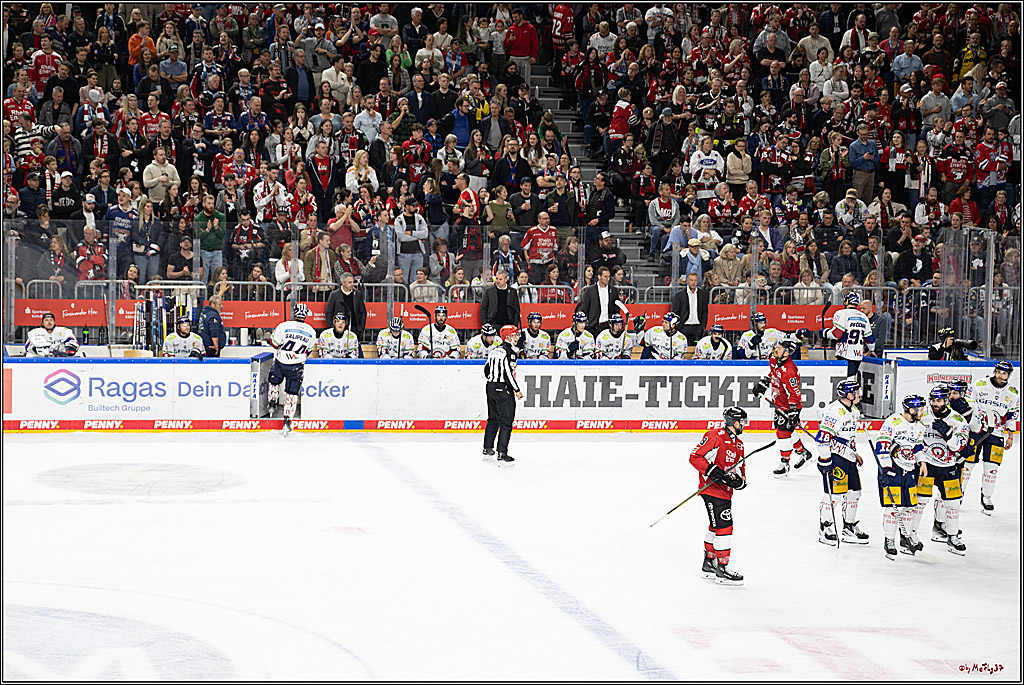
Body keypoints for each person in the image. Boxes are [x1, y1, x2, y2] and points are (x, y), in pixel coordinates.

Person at [688, 406, 749, 585]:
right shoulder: (714, 436)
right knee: (725, 526)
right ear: (735, 422)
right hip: (711, 489)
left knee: (715, 526)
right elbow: (695, 457)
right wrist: (712, 471)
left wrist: (739, 482)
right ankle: (722, 569)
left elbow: (741, 471)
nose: (744, 425)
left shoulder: (739, 445)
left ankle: (709, 564)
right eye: (743, 422)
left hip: (725, 492)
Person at [911, 384, 971, 555]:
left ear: (946, 401)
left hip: (948, 466)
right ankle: (911, 535)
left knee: (952, 505)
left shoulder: (958, 421)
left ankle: (952, 537)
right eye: (932, 400)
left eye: (939, 400)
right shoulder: (922, 417)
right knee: (920, 502)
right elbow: (914, 439)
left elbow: (958, 446)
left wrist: (949, 434)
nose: (935, 404)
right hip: (927, 466)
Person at [814, 380, 869, 546]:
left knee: (854, 493)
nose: (859, 394)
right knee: (834, 495)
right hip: (836, 459)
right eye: (857, 392)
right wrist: (825, 460)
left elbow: (846, 436)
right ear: (849, 395)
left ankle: (849, 527)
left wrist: (855, 453)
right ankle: (825, 527)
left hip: (849, 458)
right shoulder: (835, 411)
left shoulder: (853, 411)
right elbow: (821, 440)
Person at [874, 394, 927, 559]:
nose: (923, 412)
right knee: (892, 508)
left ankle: (906, 538)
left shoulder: (920, 426)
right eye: (920, 409)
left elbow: (917, 447)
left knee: (910, 506)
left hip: (910, 469)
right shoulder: (893, 422)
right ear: (911, 409)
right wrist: (886, 469)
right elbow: (882, 445)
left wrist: (922, 462)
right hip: (893, 469)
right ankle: (889, 540)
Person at [963, 361, 1019, 515]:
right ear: (995, 371)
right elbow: (968, 403)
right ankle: (959, 494)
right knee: (968, 465)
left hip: (997, 433)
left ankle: (986, 497)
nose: (1001, 376)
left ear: (1008, 375)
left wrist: (1010, 436)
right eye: (999, 372)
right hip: (976, 431)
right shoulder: (979, 384)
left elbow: (1012, 415)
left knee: (992, 468)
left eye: (1004, 374)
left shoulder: (1012, 393)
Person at [753, 336, 813, 477]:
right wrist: (764, 383)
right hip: (779, 403)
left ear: (787, 353)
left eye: (780, 348)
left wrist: (793, 412)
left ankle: (785, 463)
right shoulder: (774, 360)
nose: (776, 349)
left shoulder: (790, 371)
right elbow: (773, 374)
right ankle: (803, 453)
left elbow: (795, 393)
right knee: (788, 431)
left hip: (790, 407)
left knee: (782, 433)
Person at [268, 303, 316, 432]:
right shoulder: (311, 331)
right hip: (297, 365)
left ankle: (272, 403)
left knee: (274, 382)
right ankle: (287, 420)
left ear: (294, 313)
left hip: (280, 361)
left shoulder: (283, 326)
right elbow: (308, 350)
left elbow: (273, 343)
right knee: (292, 393)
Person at [482, 325, 523, 467]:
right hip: (503, 389)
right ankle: (502, 453)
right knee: (506, 422)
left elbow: (486, 369)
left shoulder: (494, 350)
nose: (518, 338)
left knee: (492, 418)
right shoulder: (510, 352)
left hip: (490, 387)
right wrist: (516, 389)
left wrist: (493, 381)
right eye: (515, 335)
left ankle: (487, 449)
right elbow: (507, 373)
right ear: (508, 337)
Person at [825, 291, 875, 380]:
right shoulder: (864, 317)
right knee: (852, 378)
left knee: (844, 381)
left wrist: (825, 333)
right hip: (858, 354)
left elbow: (837, 334)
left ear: (847, 301)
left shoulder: (841, 313)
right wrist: (871, 349)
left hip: (844, 353)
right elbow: (870, 339)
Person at [671, 271, 709, 343]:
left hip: (698, 328)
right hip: (684, 327)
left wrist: (703, 326)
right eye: (691, 280)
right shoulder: (679, 295)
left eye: (695, 280)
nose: (693, 282)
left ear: (697, 281)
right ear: (687, 281)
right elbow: (675, 312)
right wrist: (679, 326)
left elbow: (705, 311)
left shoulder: (703, 294)